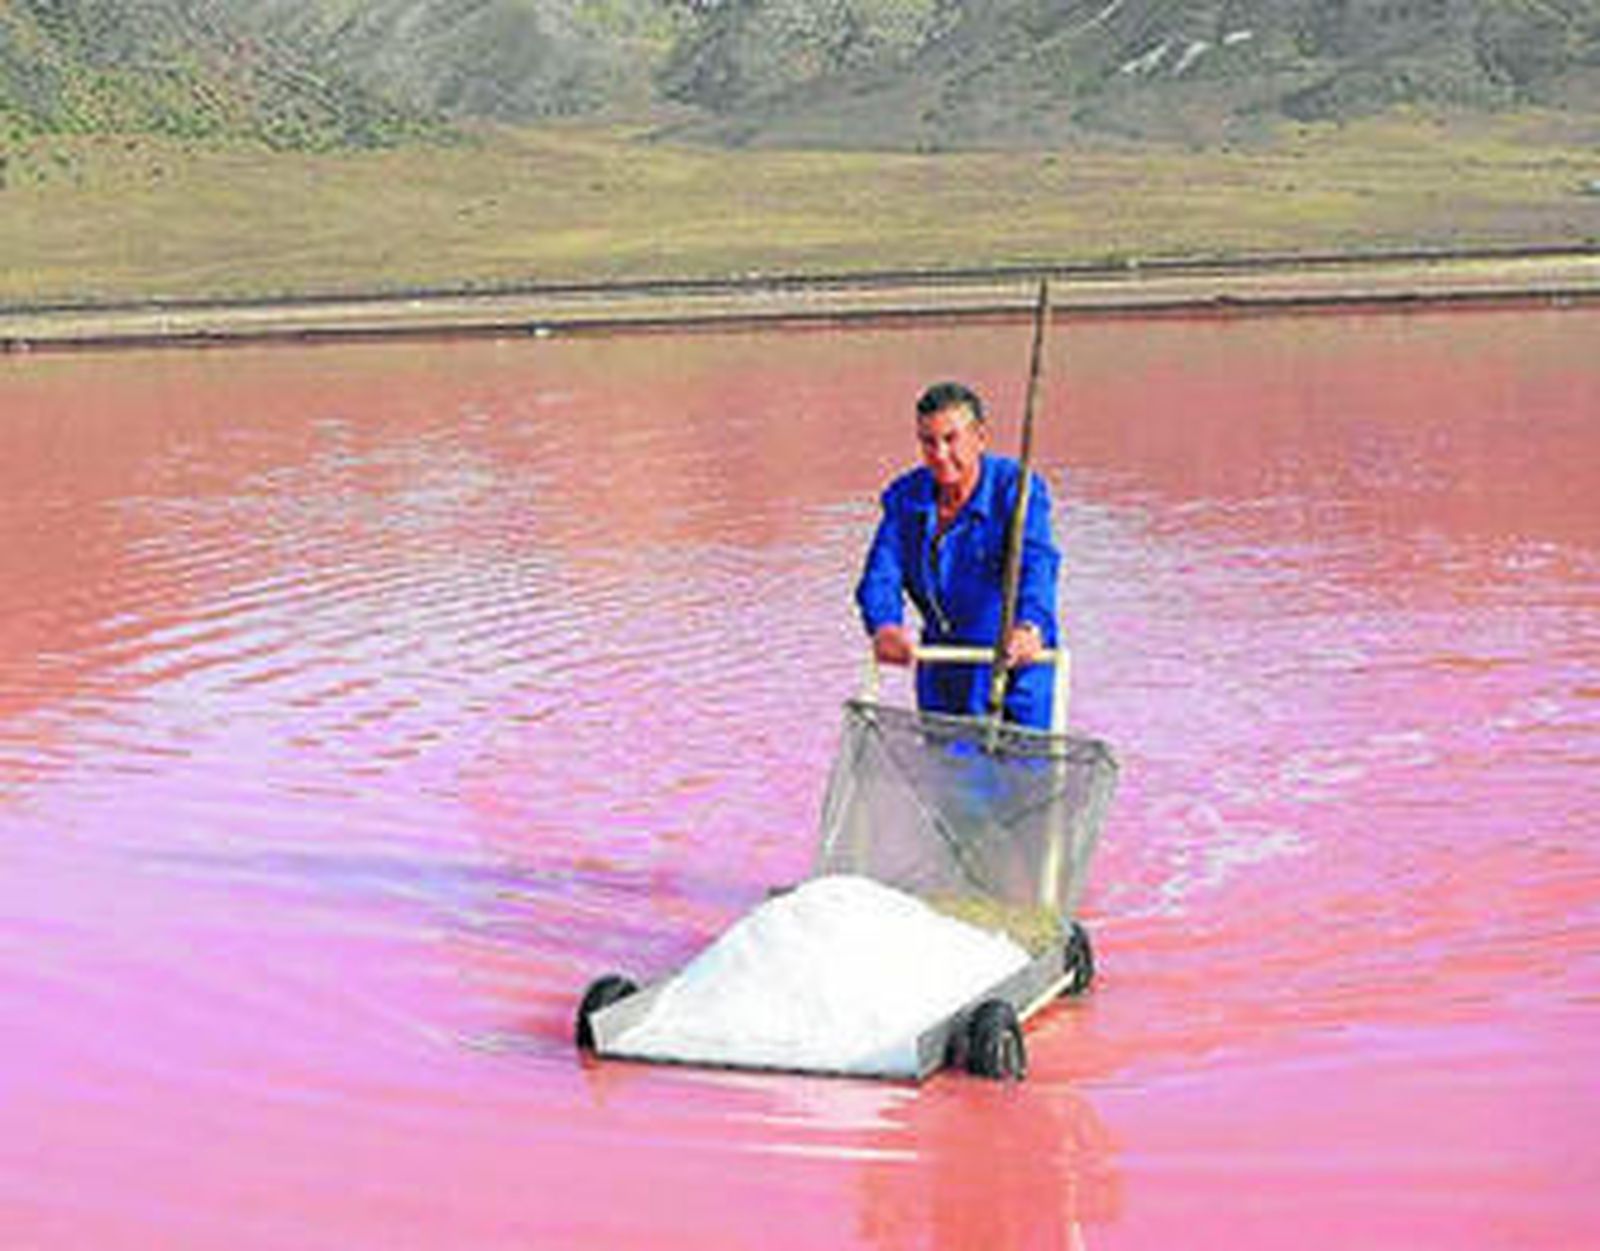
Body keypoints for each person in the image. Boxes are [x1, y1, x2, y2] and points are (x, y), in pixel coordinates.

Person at [855, 381, 1061, 729]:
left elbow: (1038, 564)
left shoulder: (1016, 488)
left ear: (979, 437)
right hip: (943, 669)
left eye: (951, 439)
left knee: (1024, 775)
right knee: (946, 775)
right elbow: (881, 574)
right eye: (928, 442)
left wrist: (1031, 626)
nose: (940, 454)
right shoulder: (907, 496)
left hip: (1013, 668)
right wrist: (884, 625)